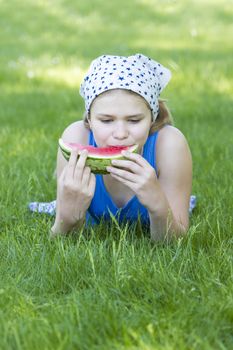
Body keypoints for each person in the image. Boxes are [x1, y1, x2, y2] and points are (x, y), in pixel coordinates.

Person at [50, 53, 193, 241]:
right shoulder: (76, 138)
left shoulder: (170, 145)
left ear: (152, 118)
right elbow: (61, 241)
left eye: (134, 120)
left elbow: (175, 243)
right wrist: (66, 218)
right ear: (89, 119)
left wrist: (158, 206)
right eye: (106, 120)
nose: (120, 134)